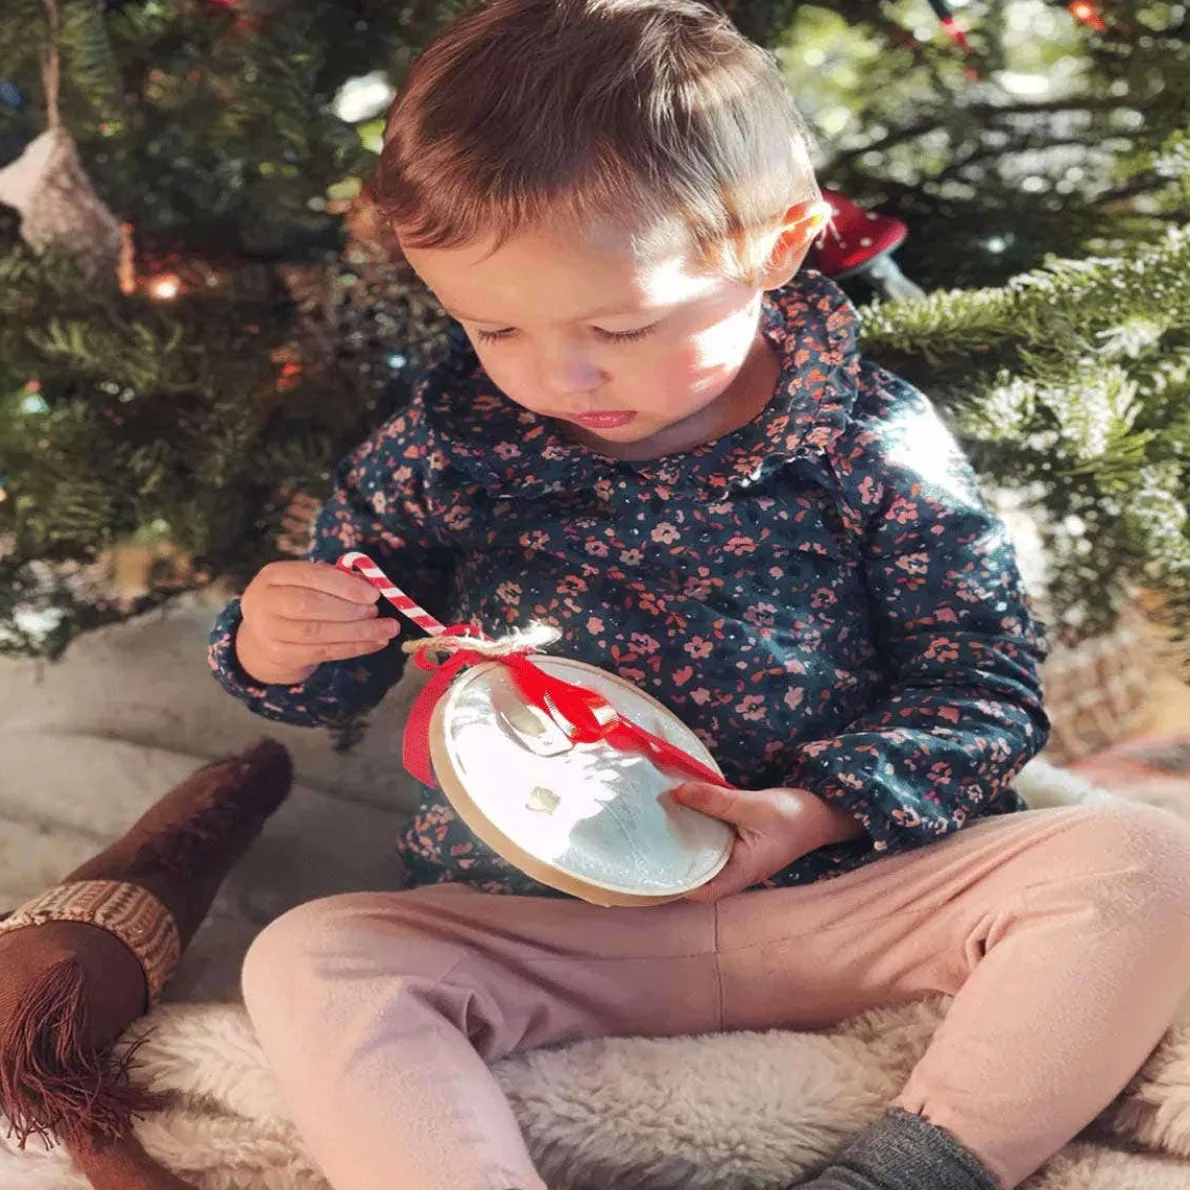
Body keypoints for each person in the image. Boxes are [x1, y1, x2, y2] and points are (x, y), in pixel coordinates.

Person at [207, 3, 1190, 1188]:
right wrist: (278, 641)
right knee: (311, 957)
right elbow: (351, 648)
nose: (553, 376)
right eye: (491, 325)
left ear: (776, 247)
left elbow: (980, 683)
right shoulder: (446, 444)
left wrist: (821, 807)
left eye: (619, 325)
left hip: (838, 896)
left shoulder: (866, 439)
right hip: (554, 922)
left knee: (1139, 858)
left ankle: (910, 1166)